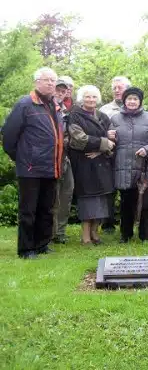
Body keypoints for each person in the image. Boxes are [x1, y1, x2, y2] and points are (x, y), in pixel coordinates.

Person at [1, 67, 64, 259]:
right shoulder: (25, 104)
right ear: (36, 82)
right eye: (47, 80)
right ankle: (26, 249)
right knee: (28, 210)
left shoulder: (54, 105)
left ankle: (41, 244)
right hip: (30, 168)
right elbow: (8, 135)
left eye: (53, 80)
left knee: (46, 208)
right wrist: (21, 158)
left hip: (51, 166)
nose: (51, 84)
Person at [108, 87, 148, 242]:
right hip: (123, 167)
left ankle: (145, 235)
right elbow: (110, 142)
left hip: (144, 167)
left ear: (140, 101)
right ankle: (125, 235)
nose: (132, 101)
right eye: (129, 99)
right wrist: (108, 137)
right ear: (124, 101)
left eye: (135, 99)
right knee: (126, 201)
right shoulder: (115, 119)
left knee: (144, 202)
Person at [68, 85, 114, 244]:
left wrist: (101, 151)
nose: (91, 100)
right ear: (82, 98)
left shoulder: (103, 116)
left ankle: (95, 233)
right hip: (84, 164)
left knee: (101, 200)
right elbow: (78, 139)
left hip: (102, 164)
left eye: (94, 97)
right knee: (88, 200)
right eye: (87, 96)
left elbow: (113, 139)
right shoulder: (74, 116)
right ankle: (86, 237)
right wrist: (102, 143)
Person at [99, 76, 131, 233]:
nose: (117, 90)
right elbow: (95, 132)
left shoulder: (136, 107)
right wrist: (106, 134)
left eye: (121, 87)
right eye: (115, 88)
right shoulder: (104, 110)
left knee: (128, 190)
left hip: (129, 155)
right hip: (109, 155)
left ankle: (127, 222)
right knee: (109, 189)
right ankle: (108, 223)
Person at [51, 78, 75, 244]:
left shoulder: (66, 110)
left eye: (63, 91)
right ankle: (49, 233)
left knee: (66, 194)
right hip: (49, 160)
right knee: (52, 197)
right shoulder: (45, 108)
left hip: (65, 158)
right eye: (57, 90)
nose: (60, 93)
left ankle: (60, 232)